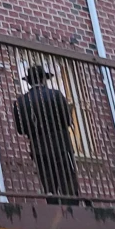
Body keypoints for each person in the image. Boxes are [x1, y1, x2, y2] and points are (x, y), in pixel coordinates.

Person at [12, 65, 81, 205]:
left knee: (49, 183)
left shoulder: (21, 102)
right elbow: (67, 120)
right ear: (44, 79)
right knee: (67, 181)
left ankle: (54, 207)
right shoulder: (56, 95)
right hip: (61, 144)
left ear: (29, 82)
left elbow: (20, 129)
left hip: (39, 148)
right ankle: (73, 209)